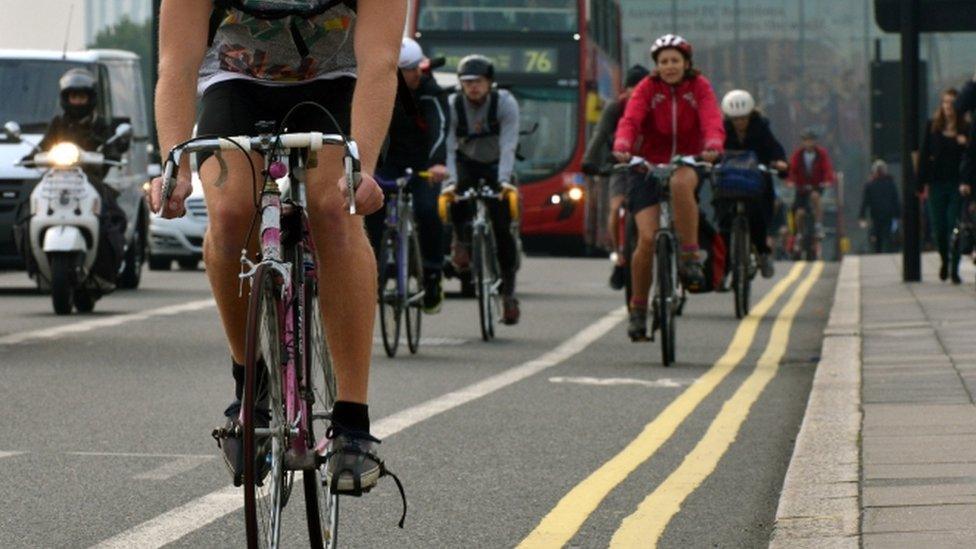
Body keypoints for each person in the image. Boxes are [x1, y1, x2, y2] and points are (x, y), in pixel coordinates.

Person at [149, 0, 402, 495]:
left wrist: (363, 170)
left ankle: (352, 424)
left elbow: (380, 63)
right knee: (227, 213)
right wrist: (173, 171)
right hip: (236, 80)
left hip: (340, 79)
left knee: (335, 209)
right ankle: (251, 388)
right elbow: (176, 65)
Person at [611, 34, 724, 341]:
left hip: (686, 161)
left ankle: (689, 257)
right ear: (656, 67)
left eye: (675, 61)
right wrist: (622, 145)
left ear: (687, 63)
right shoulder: (647, 89)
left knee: (680, 182)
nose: (670, 66)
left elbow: (712, 119)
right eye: (664, 62)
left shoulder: (699, 87)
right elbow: (630, 121)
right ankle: (637, 310)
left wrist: (713, 144)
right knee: (646, 239)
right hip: (646, 165)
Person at [366, 38, 450, 313]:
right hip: (387, 163)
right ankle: (372, 274)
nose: (415, 74)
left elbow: (440, 127)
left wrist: (438, 163)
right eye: (408, 69)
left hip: (424, 165)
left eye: (418, 68)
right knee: (372, 212)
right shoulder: (379, 90)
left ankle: (433, 274)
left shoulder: (430, 91)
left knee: (428, 211)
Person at [29, 68, 128, 284]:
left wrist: (113, 152)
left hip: (90, 180)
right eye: (73, 96)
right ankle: (35, 267)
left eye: (81, 96)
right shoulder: (58, 123)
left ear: (90, 98)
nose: (77, 101)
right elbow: (41, 146)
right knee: (25, 213)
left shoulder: (100, 124)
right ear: (66, 98)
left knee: (115, 215)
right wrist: (31, 156)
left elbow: (113, 146)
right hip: (55, 179)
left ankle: (107, 269)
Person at [443, 54, 522, 324]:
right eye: (467, 82)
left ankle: (508, 293)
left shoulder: (505, 103)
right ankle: (461, 244)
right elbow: (449, 147)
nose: (473, 87)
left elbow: (509, 144)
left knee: (503, 229)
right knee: (455, 196)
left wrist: (503, 182)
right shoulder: (453, 104)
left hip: (496, 164)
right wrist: (452, 182)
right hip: (466, 162)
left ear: (489, 83)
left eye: (478, 82)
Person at [581, 64, 650, 290]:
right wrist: (589, 160)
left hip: (651, 167)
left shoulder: (656, 107)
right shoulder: (615, 108)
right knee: (617, 207)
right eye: (632, 88)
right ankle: (619, 252)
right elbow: (600, 135)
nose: (636, 92)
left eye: (641, 87)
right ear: (625, 90)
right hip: (621, 166)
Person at [718, 89, 789, 279]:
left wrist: (780, 162)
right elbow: (712, 148)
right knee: (723, 222)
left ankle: (763, 253)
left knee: (758, 218)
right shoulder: (721, 130)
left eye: (743, 118)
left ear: (751, 115)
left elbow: (775, 149)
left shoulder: (761, 129)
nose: (739, 122)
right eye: (735, 119)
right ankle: (723, 269)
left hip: (756, 184)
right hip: (729, 184)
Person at [919, 88, 969, 283]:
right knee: (938, 227)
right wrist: (920, 183)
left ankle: (954, 268)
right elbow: (924, 155)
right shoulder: (933, 127)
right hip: (936, 184)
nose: (948, 107)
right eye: (945, 102)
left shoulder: (965, 128)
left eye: (952, 103)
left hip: (957, 185)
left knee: (953, 225)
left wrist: (965, 143)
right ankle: (943, 260)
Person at [786, 128, 836, 242]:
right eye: (806, 140)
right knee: (799, 212)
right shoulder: (798, 154)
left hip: (816, 185)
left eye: (811, 140)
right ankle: (798, 233)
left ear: (815, 141)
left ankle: (818, 225)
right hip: (801, 188)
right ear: (803, 142)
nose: (809, 143)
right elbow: (792, 169)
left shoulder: (821, 153)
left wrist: (828, 180)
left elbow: (827, 168)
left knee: (815, 197)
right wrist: (790, 181)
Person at [859, 159, 901, 253]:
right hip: (887, 215)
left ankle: (879, 253)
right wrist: (898, 215)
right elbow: (896, 201)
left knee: (878, 237)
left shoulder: (870, 185)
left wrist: (862, 216)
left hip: (877, 215)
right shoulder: (890, 184)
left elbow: (865, 202)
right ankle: (887, 252)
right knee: (887, 236)